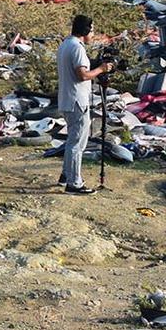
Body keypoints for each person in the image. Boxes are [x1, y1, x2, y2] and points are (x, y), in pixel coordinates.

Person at [56, 15, 114, 195]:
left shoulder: (66, 44)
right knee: (77, 143)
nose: (93, 34)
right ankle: (74, 183)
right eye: (93, 30)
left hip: (66, 99)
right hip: (77, 102)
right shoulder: (77, 48)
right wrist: (101, 69)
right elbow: (82, 75)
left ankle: (66, 175)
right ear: (86, 30)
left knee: (71, 140)